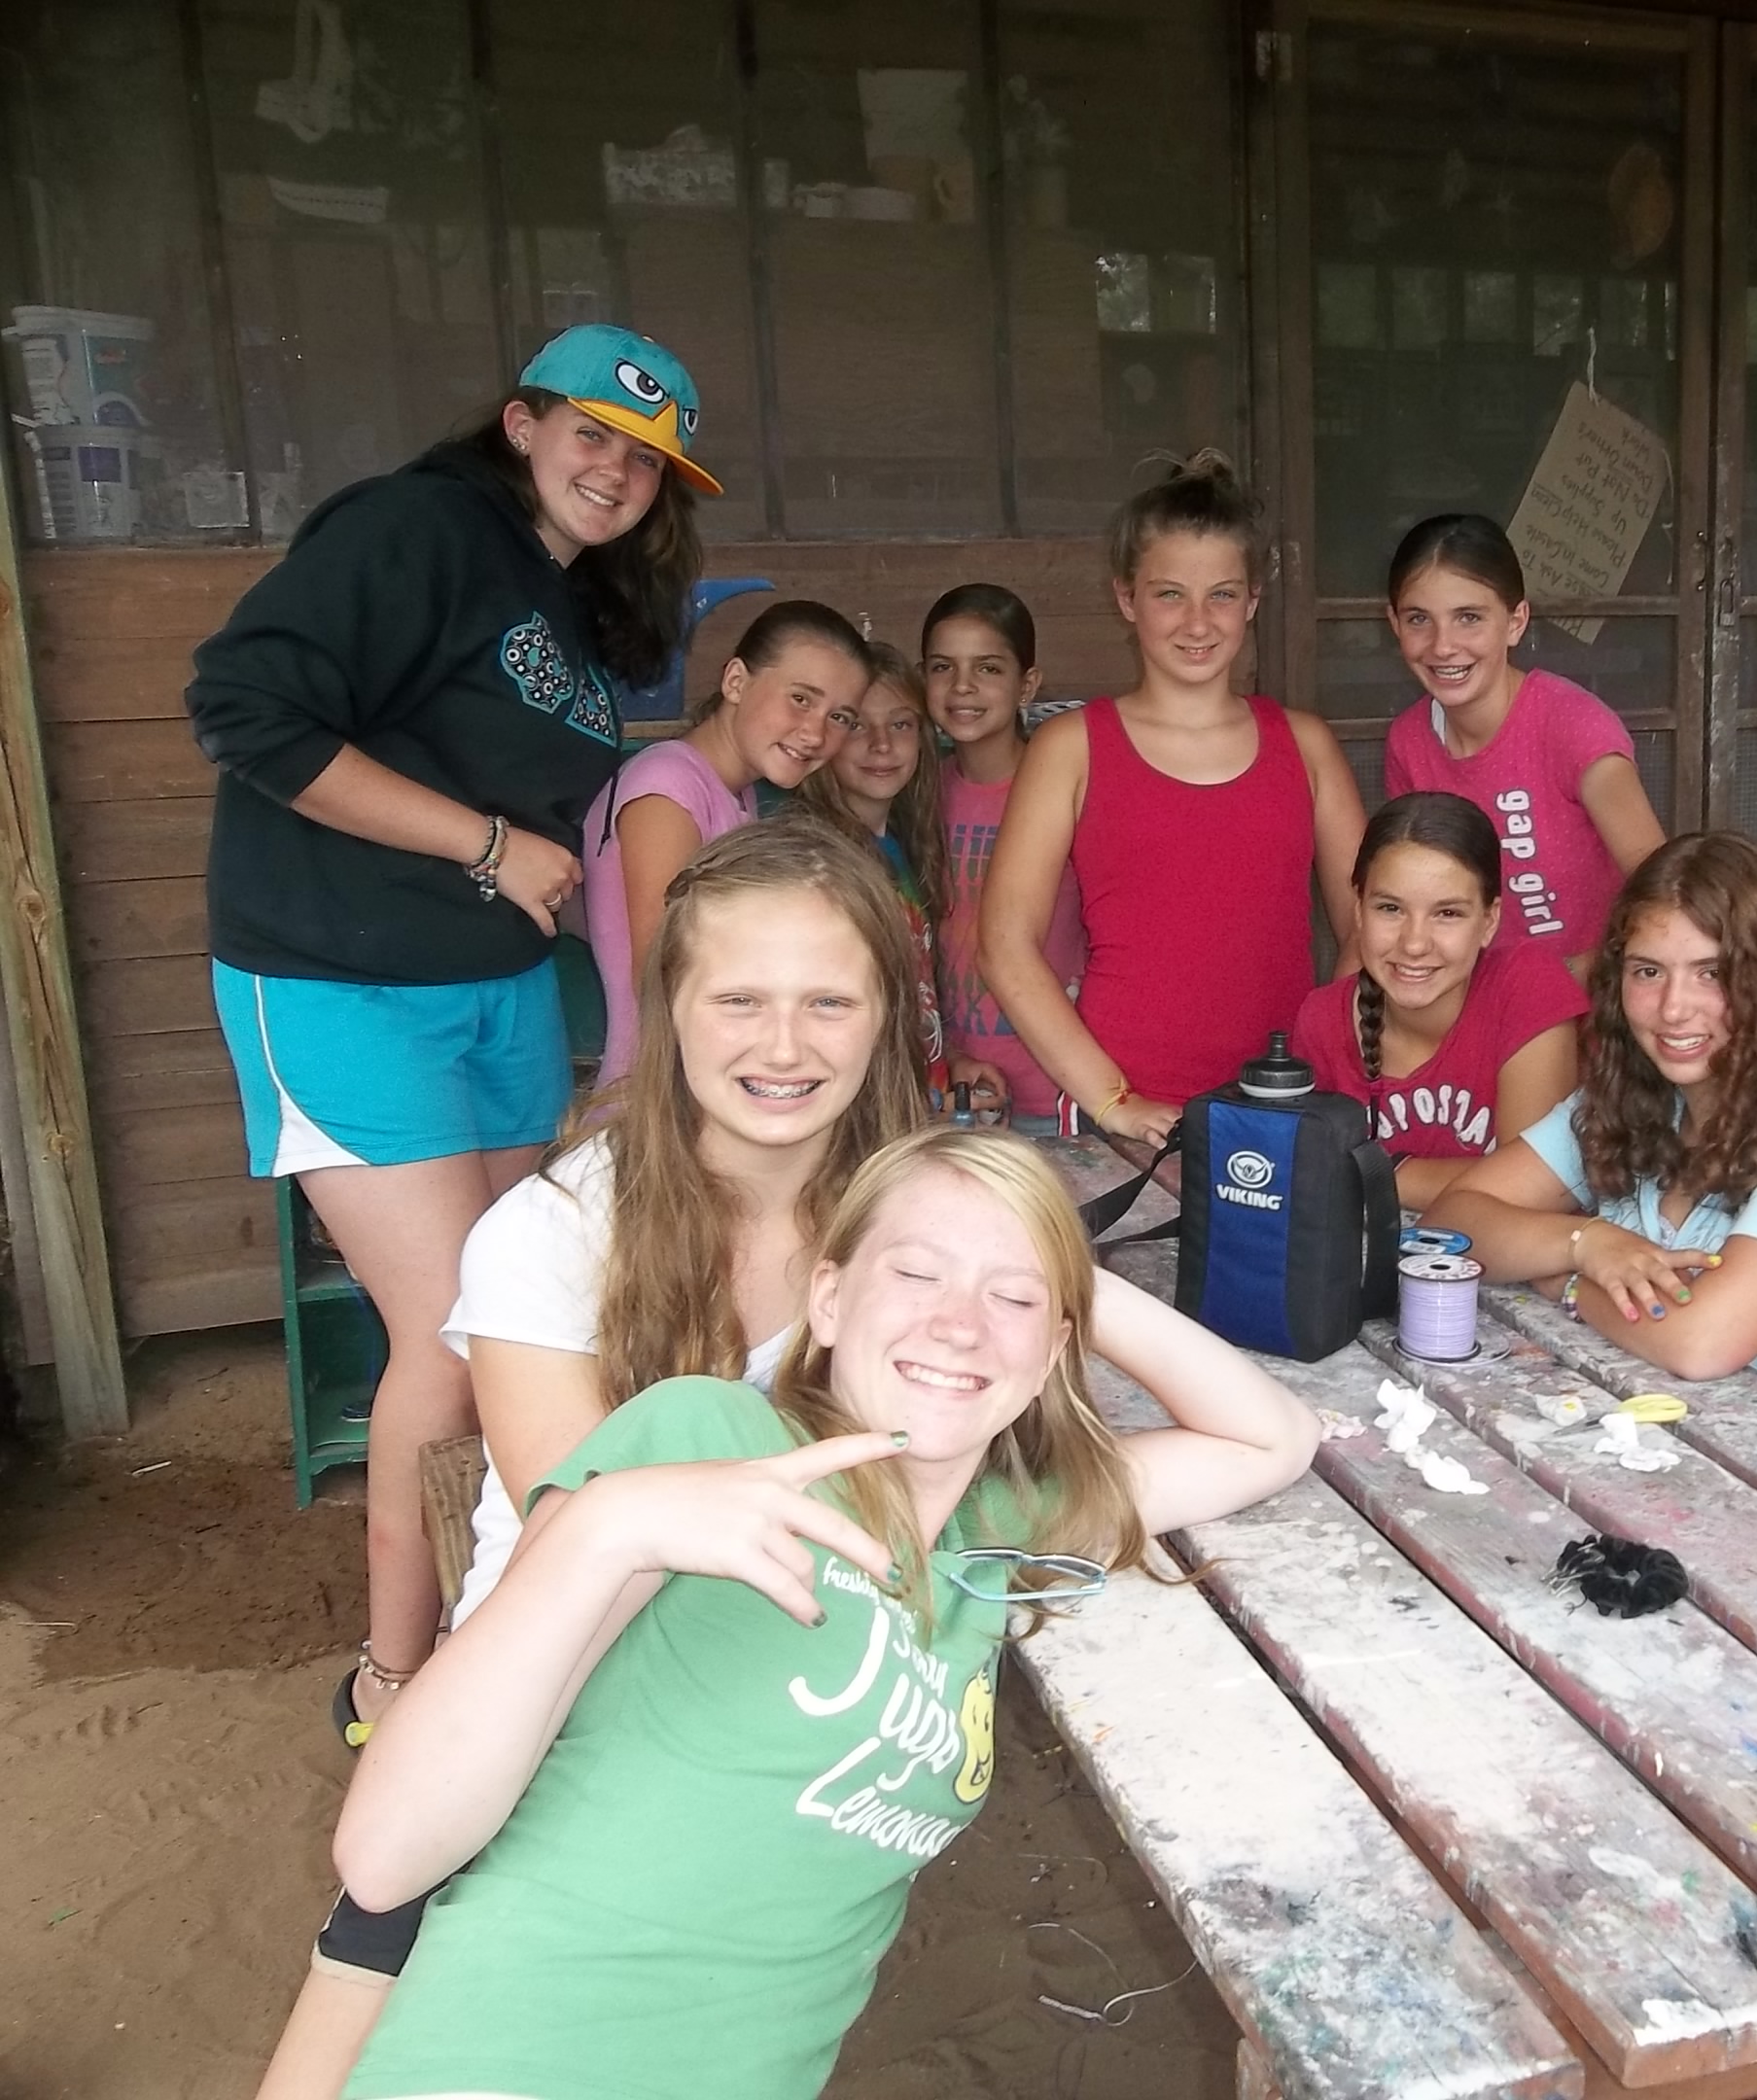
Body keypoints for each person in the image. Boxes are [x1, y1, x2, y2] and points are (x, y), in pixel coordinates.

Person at [329, 1128, 1320, 2100]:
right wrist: (602, 1530)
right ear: (830, 1300)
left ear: (1058, 1344)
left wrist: (1070, 1281)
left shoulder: (993, 1534)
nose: (960, 1324)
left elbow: (1271, 1439)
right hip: (506, 2060)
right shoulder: (710, 1439)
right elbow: (383, 1858)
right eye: (917, 1275)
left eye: (1013, 1298)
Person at [251, 818, 933, 2100]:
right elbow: (582, 1533)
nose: (784, 1045)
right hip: (559, 1691)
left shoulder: (918, 1223)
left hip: (773, 1682)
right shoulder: (556, 1229)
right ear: (669, 1007)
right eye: (739, 1000)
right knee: (370, 1996)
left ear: (887, 1016)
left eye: (829, 1002)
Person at [188, 322, 713, 1748]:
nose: (616, 472)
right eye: (592, 434)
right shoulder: (417, 527)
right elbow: (243, 708)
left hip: (493, 988)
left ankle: (515, 1627)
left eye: (647, 460)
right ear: (522, 423)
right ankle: (397, 1680)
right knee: (449, 1332)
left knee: (528, 1308)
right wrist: (484, 843)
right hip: (336, 978)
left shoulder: (567, 590)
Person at [982, 452, 1365, 1141]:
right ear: (1127, 598)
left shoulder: (1306, 746)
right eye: (1169, 594)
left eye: (1222, 594)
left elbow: (1370, 927)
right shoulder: (1070, 747)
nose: (1197, 622)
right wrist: (1113, 1101)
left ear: (1252, 601)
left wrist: (1327, 1061)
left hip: (1285, 1104)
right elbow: (1004, 945)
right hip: (1121, 1105)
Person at [1422, 833, 1757, 1408]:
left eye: (1711, 972)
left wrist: (1564, 1279)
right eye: (1648, 972)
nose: (1673, 1008)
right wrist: (1587, 1243)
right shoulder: (1638, 1091)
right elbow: (1450, 1226)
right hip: (1633, 1432)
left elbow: (1704, 1341)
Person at [580, 598, 873, 1083]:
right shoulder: (668, 786)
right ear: (736, 681)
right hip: (657, 1098)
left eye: (840, 717)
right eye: (801, 699)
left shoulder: (733, 793)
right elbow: (663, 973)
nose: (816, 733)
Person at [1380, 514, 1665, 973]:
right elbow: (1415, 894)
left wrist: (1566, 983)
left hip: (1595, 996)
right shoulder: (1409, 741)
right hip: (1474, 999)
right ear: (1393, 623)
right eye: (1419, 620)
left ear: (1516, 622)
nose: (1443, 646)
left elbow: (1661, 892)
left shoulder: (1574, 726)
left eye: (1469, 618)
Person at [1287, 791, 1586, 1208]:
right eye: (1390, 908)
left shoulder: (1527, 987)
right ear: (1358, 911)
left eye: (1447, 914)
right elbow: (1302, 1179)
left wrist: (1366, 1174)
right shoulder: (1321, 1019)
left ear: (1489, 921)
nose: (1414, 944)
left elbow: (1539, 1187)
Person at [795, 638, 1006, 1106]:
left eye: (901, 724)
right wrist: (922, 1105)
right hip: (868, 1113)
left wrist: (947, 1061)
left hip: (916, 1102)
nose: (882, 745)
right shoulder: (818, 862)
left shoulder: (900, 844)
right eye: (856, 725)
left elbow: (914, 996)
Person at [921, 584, 1081, 1132]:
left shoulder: (1066, 788)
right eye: (942, 667)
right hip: (955, 1087)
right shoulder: (918, 793)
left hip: (1061, 1090)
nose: (962, 686)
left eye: (988, 668)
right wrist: (945, 1061)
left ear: (1026, 685)